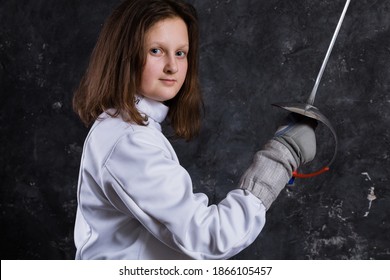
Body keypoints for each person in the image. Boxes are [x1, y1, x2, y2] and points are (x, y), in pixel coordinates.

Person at [72, 0, 317, 260]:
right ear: (124, 55)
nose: (173, 67)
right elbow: (210, 237)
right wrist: (279, 158)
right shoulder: (128, 142)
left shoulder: (126, 127)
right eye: (156, 50)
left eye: (180, 53)